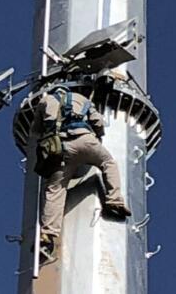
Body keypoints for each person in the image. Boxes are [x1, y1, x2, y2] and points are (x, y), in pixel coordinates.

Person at [29, 84, 131, 264]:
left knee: (55, 189)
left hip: (60, 148)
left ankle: (48, 235)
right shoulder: (82, 99)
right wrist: (98, 134)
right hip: (85, 139)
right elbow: (98, 122)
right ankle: (114, 201)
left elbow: (36, 130)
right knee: (108, 163)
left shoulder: (45, 101)